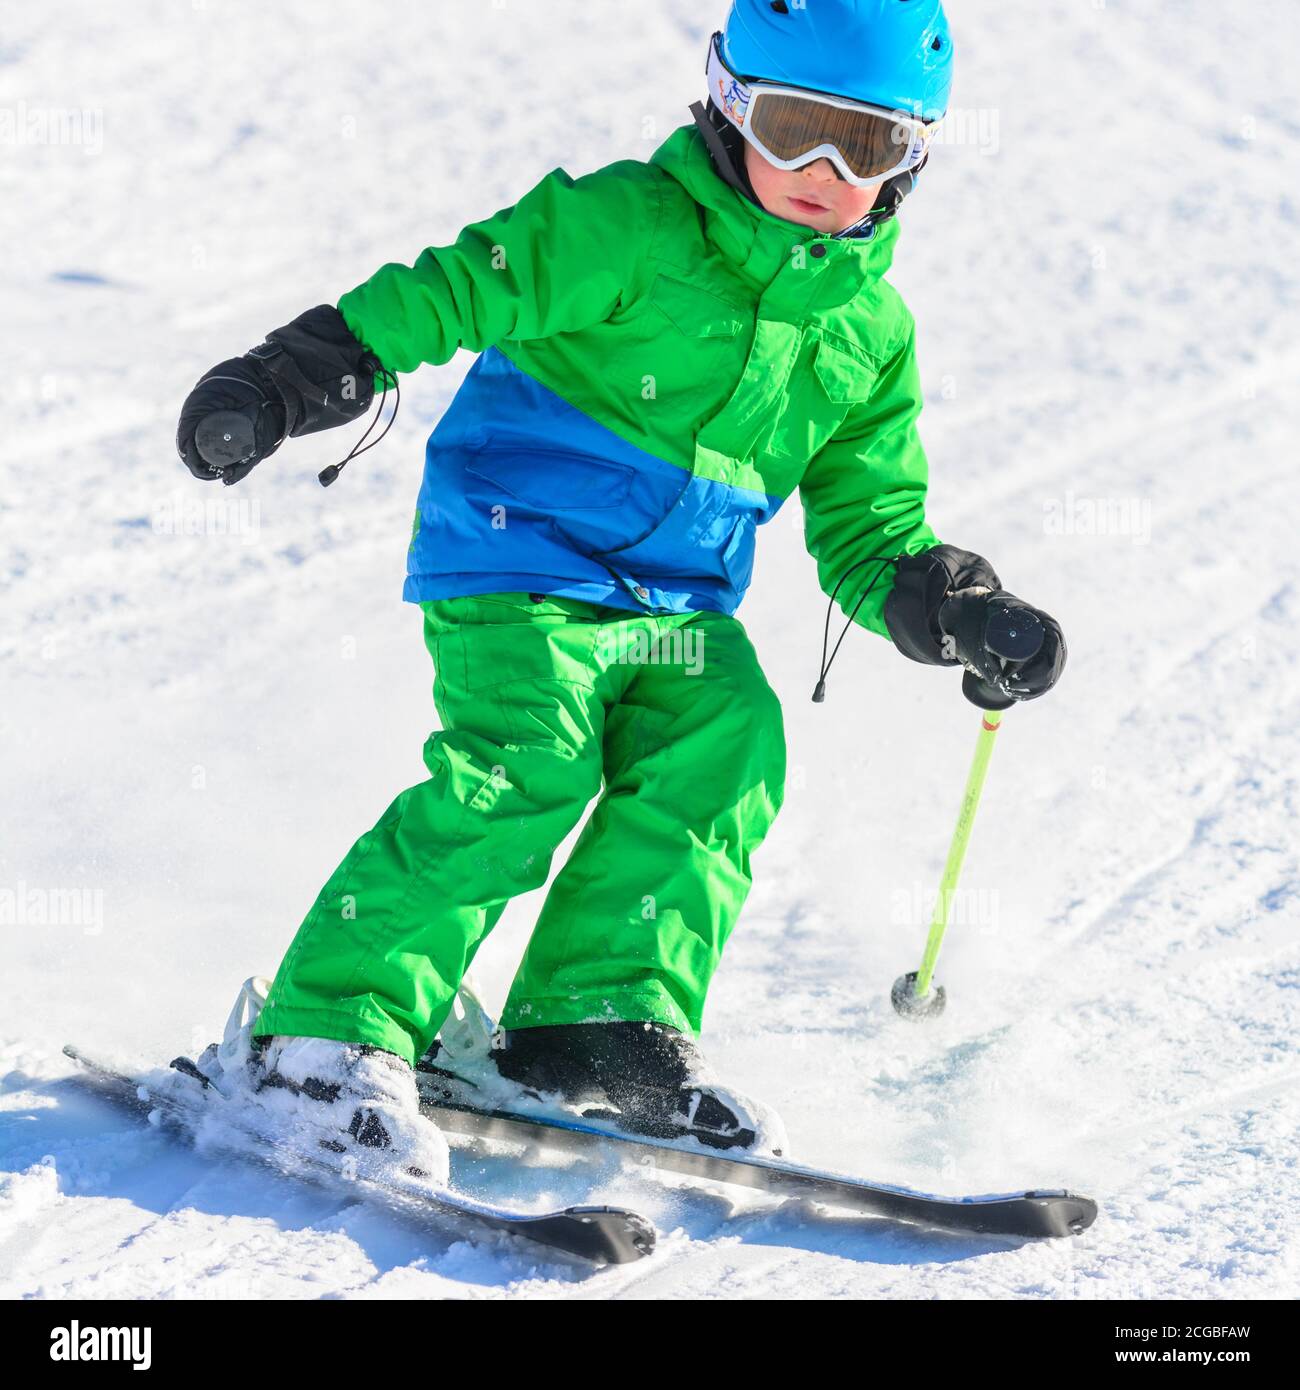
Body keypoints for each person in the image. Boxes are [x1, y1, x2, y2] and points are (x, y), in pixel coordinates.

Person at [175, 0, 1066, 1185]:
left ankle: (590, 1023)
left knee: (729, 737)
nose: (820, 171)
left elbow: (868, 524)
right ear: (729, 103)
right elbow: (458, 287)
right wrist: (299, 372)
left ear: (909, 164)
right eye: (796, 128)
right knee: (527, 763)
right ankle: (321, 1031)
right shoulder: (623, 225)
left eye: (866, 147)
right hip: (518, 557)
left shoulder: (867, 332)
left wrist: (950, 603)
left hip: (675, 609)